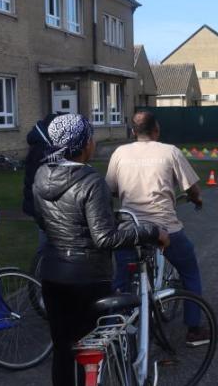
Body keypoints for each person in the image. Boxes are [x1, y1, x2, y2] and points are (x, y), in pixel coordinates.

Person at [32, 114, 169, 386]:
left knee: (63, 350)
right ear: (83, 144)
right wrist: (152, 232)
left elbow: (45, 221)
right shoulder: (91, 181)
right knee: (90, 351)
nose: (93, 143)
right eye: (91, 138)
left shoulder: (42, 174)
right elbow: (105, 238)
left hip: (52, 274)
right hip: (86, 278)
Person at [106, 110, 209, 346]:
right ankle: (194, 329)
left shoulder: (120, 152)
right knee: (189, 271)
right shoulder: (170, 152)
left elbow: (110, 189)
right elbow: (192, 189)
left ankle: (112, 332)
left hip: (130, 228)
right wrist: (197, 199)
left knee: (121, 280)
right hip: (165, 228)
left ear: (133, 131)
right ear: (156, 130)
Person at [23, 112, 61, 274]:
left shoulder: (42, 146)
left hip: (40, 203)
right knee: (47, 245)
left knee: (47, 243)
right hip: (44, 205)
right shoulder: (43, 150)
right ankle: (39, 278)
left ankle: (41, 275)